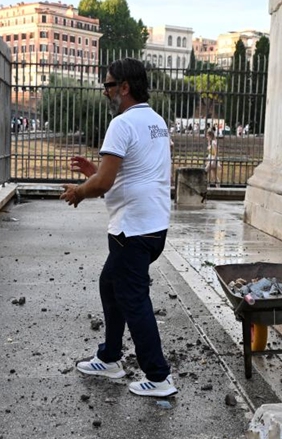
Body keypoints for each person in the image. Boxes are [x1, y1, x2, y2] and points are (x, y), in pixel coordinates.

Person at [60, 58, 177, 398]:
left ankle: (158, 377)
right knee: (110, 285)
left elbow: (105, 184)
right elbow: (126, 175)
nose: (105, 91)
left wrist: (80, 192)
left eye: (109, 85)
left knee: (133, 298)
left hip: (132, 230)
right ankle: (110, 357)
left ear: (124, 87)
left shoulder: (122, 124)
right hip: (154, 227)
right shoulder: (156, 122)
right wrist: (92, 172)